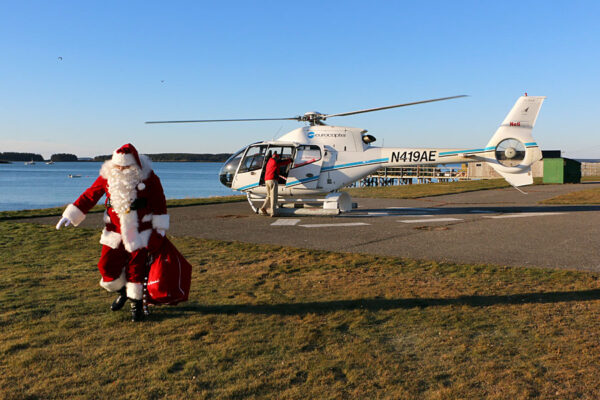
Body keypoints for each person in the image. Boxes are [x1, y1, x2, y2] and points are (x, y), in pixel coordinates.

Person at [56, 143, 169, 321]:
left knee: (136, 270)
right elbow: (90, 195)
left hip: (140, 231)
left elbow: (160, 202)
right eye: (118, 166)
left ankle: (136, 305)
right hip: (114, 232)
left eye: (125, 166)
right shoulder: (107, 176)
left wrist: (160, 228)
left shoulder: (149, 178)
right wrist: (72, 214)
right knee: (106, 267)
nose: (121, 169)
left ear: (134, 165)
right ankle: (123, 292)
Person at [259, 151, 292, 217]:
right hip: (273, 180)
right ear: (276, 157)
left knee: (268, 195)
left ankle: (263, 208)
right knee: (273, 196)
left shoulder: (269, 161)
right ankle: (273, 213)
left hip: (267, 180)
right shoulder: (275, 161)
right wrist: (290, 160)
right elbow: (282, 162)